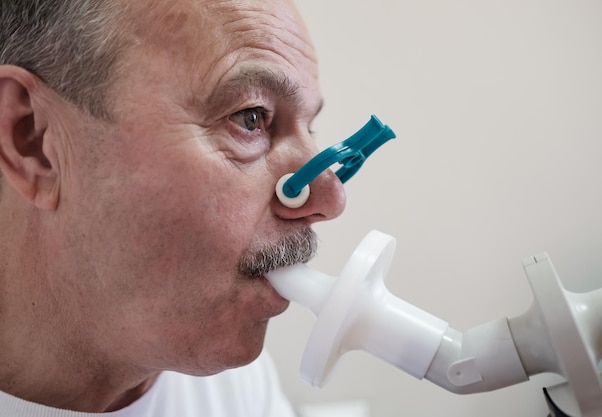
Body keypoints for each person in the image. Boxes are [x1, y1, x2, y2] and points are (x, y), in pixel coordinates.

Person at [0, 0, 346, 415]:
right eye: (251, 119)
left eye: (308, 129)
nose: (329, 199)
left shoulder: (233, 390)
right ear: (33, 140)